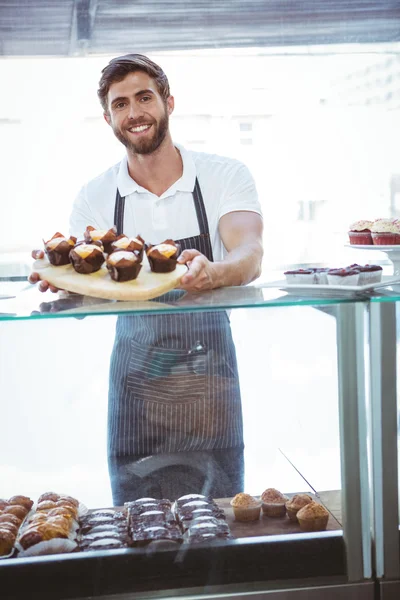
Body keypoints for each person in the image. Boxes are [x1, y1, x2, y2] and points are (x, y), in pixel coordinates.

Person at [30, 54, 263, 504]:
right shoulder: (95, 197)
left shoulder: (224, 175)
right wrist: (61, 282)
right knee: (137, 530)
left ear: (168, 103)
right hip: (135, 385)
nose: (134, 112)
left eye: (144, 97)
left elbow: (249, 254)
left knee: (217, 521)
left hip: (208, 380)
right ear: (108, 118)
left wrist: (214, 273)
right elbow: (89, 282)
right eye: (120, 104)